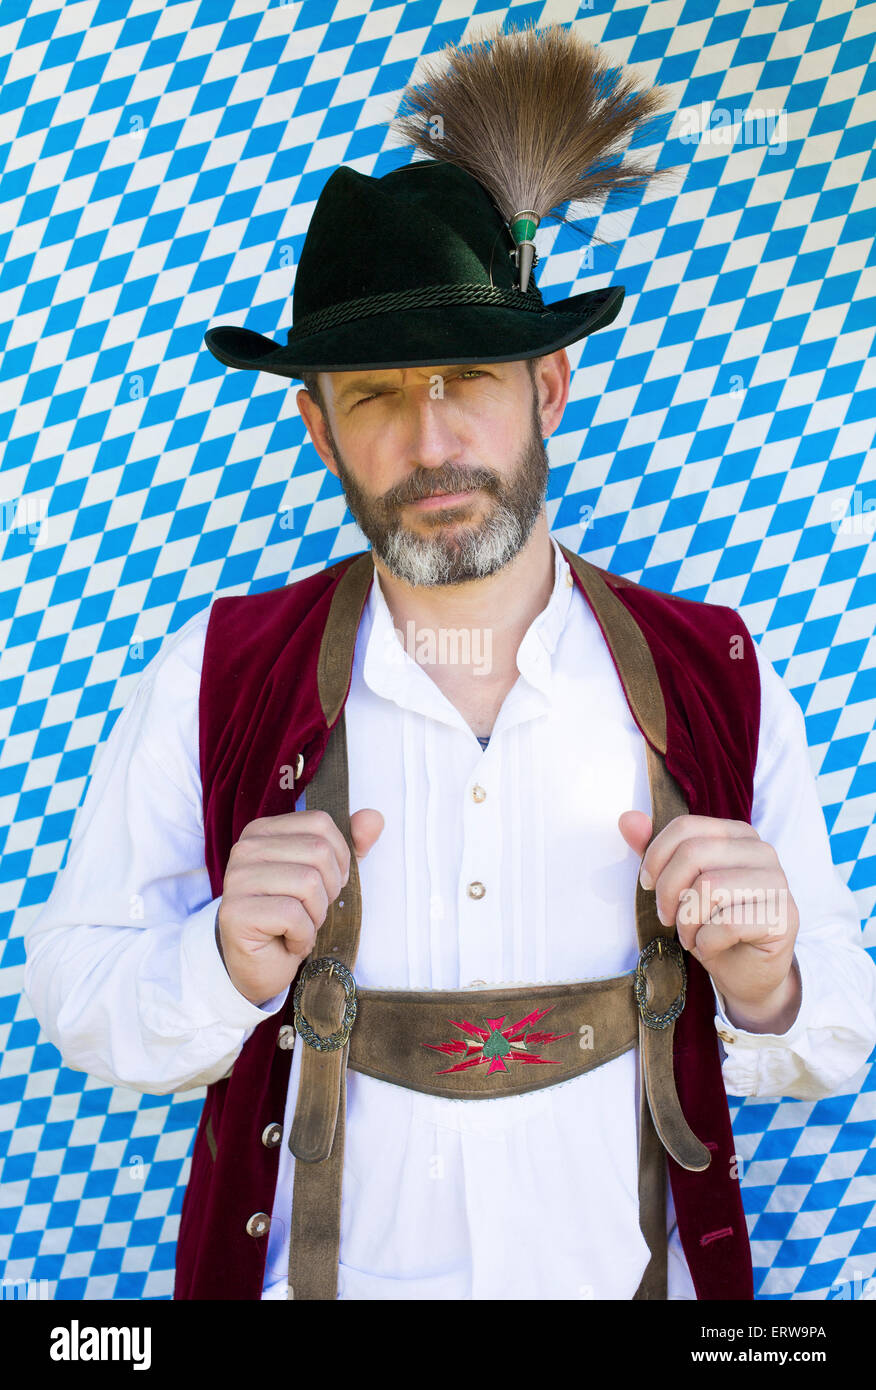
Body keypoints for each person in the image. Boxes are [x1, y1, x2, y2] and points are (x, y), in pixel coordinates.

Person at [24, 25, 876, 1302]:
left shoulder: (718, 668)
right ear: (320, 430)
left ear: (550, 388)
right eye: (374, 394)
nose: (431, 443)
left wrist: (767, 977)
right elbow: (74, 991)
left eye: (467, 376)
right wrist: (223, 962)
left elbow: (841, 1027)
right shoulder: (216, 670)